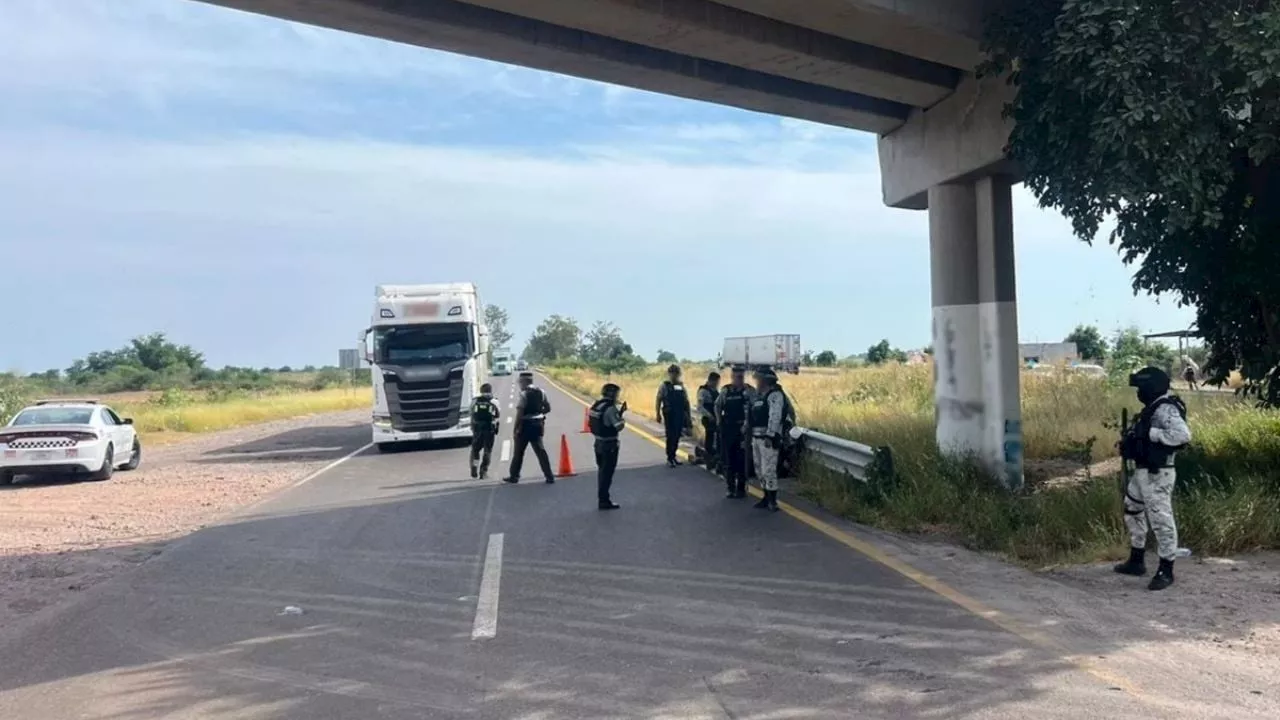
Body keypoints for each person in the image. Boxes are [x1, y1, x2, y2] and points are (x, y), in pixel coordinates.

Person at [1115, 366, 1192, 591]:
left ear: (1151, 386)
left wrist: (1152, 434)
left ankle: (1166, 569)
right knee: (1132, 509)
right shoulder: (1153, 408)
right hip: (1144, 473)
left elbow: (1183, 435)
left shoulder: (1166, 408)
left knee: (1161, 519)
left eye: (1141, 387)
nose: (1139, 391)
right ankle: (1137, 559)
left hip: (1158, 473)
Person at [503, 371, 556, 485]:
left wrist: (516, 429)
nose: (519, 384)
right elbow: (548, 408)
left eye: (520, 382)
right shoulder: (541, 392)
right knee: (541, 451)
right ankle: (549, 476)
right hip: (538, 424)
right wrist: (538, 411)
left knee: (519, 452)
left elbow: (520, 413)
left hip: (525, 425)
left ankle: (514, 476)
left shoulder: (524, 394)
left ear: (524, 382)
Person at [748, 368, 786, 512]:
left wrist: (770, 435)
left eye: (758, 379)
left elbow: (775, 417)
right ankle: (765, 497)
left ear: (765, 380)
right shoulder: (759, 397)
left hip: (767, 439)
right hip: (756, 438)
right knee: (759, 469)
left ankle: (772, 501)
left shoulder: (775, 395)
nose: (756, 382)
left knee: (768, 469)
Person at [715, 365, 756, 498]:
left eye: (741, 376)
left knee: (743, 460)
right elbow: (717, 406)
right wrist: (719, 421)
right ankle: (730, 487)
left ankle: (741, 488)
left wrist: (749, 424)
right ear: (732, 377)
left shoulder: (749, 391)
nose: (739, 379)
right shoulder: (726, 391)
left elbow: (755, 408)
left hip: (743, 430)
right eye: (737, 376)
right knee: (729, 459)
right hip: (728, 429)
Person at [588, 383, 627, 510]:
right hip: (609, 445)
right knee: (607, 474)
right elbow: (618, 426)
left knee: (602, 471)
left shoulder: (597, 405)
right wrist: (622, 419)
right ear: (612, 394)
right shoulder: (611, 408)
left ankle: (603, 499)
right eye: (617, 393)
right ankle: (604, 500)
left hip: (598, 443)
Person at [654, 364, 691, 468]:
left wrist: (688, 415)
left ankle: (673, 456)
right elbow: (658, 399)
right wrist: (657, 414)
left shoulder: (680, 386)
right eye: (672, 373)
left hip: (679, 413)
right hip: (669, 413)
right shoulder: (664, 386)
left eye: (676, 373)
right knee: (670, 436)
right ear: (669, 374)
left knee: (677, 435)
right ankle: (670, 458)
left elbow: (686, 401)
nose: (674, 375)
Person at [468, 383, 500, 479]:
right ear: (490, 391)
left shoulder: (475, 400)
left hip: (477, 428)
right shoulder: (494, 401)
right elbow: (498, 415)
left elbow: (471, 413)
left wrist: (472, 426)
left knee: (476, 450)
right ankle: (483, 471)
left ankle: (474, 467)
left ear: (481, 391)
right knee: (487, 450)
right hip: (489, 429)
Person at [696, 371, 721, 474]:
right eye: (716, 382)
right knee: (710, 438)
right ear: (711, 380)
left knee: (717, 437)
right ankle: (709, 459)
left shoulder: (715, 390)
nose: (717, 384)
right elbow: (700, 407)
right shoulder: (703, 391)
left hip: (716, 418)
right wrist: (709, 416)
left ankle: (713, 457)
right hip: (708, 418)